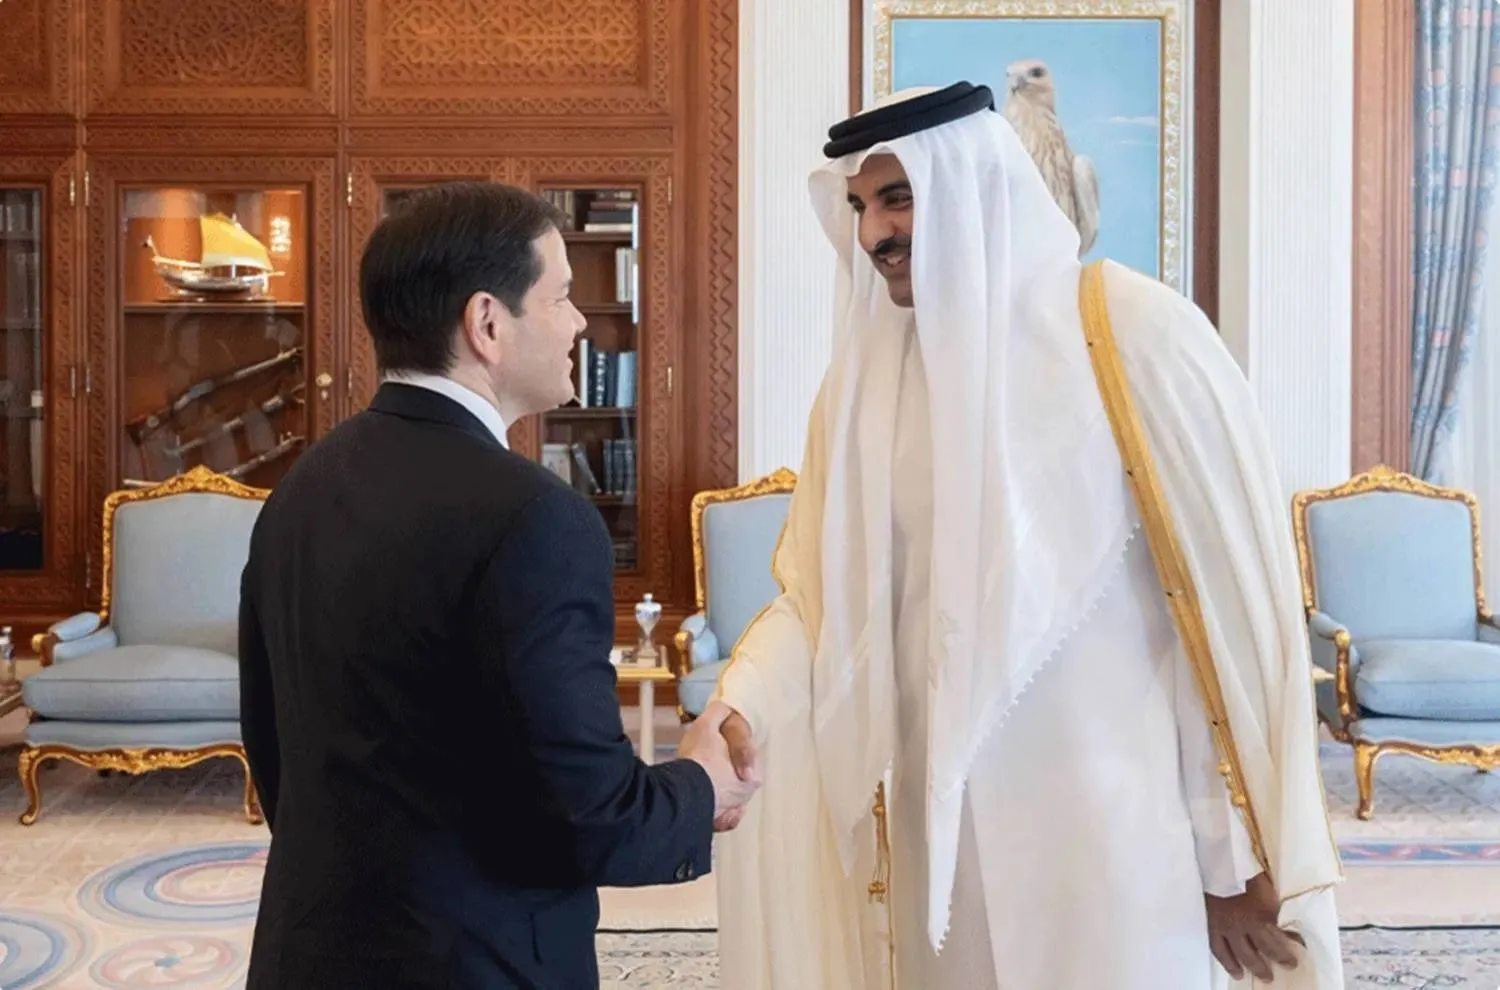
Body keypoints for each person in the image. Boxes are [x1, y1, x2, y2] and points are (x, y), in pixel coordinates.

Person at [708, 83, 1345, 989]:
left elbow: (1218, 617)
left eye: (899, 198)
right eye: (859, 207)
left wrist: (1233, 856)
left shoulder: (1130, 333)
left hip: (1120, 837)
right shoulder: (863, 386)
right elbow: (818, 599)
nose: (875, 233)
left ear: (976, 189)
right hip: (946, 841)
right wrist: (742, 700)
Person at [237, 180, 758, 989]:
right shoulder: (537, 519)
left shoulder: (301, 486)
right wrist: (701, 783)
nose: (581, 323)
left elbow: (276, 756)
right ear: (487, 323)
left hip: (307, 953)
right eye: (561, 297)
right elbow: (590, 820)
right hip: (473, 964)